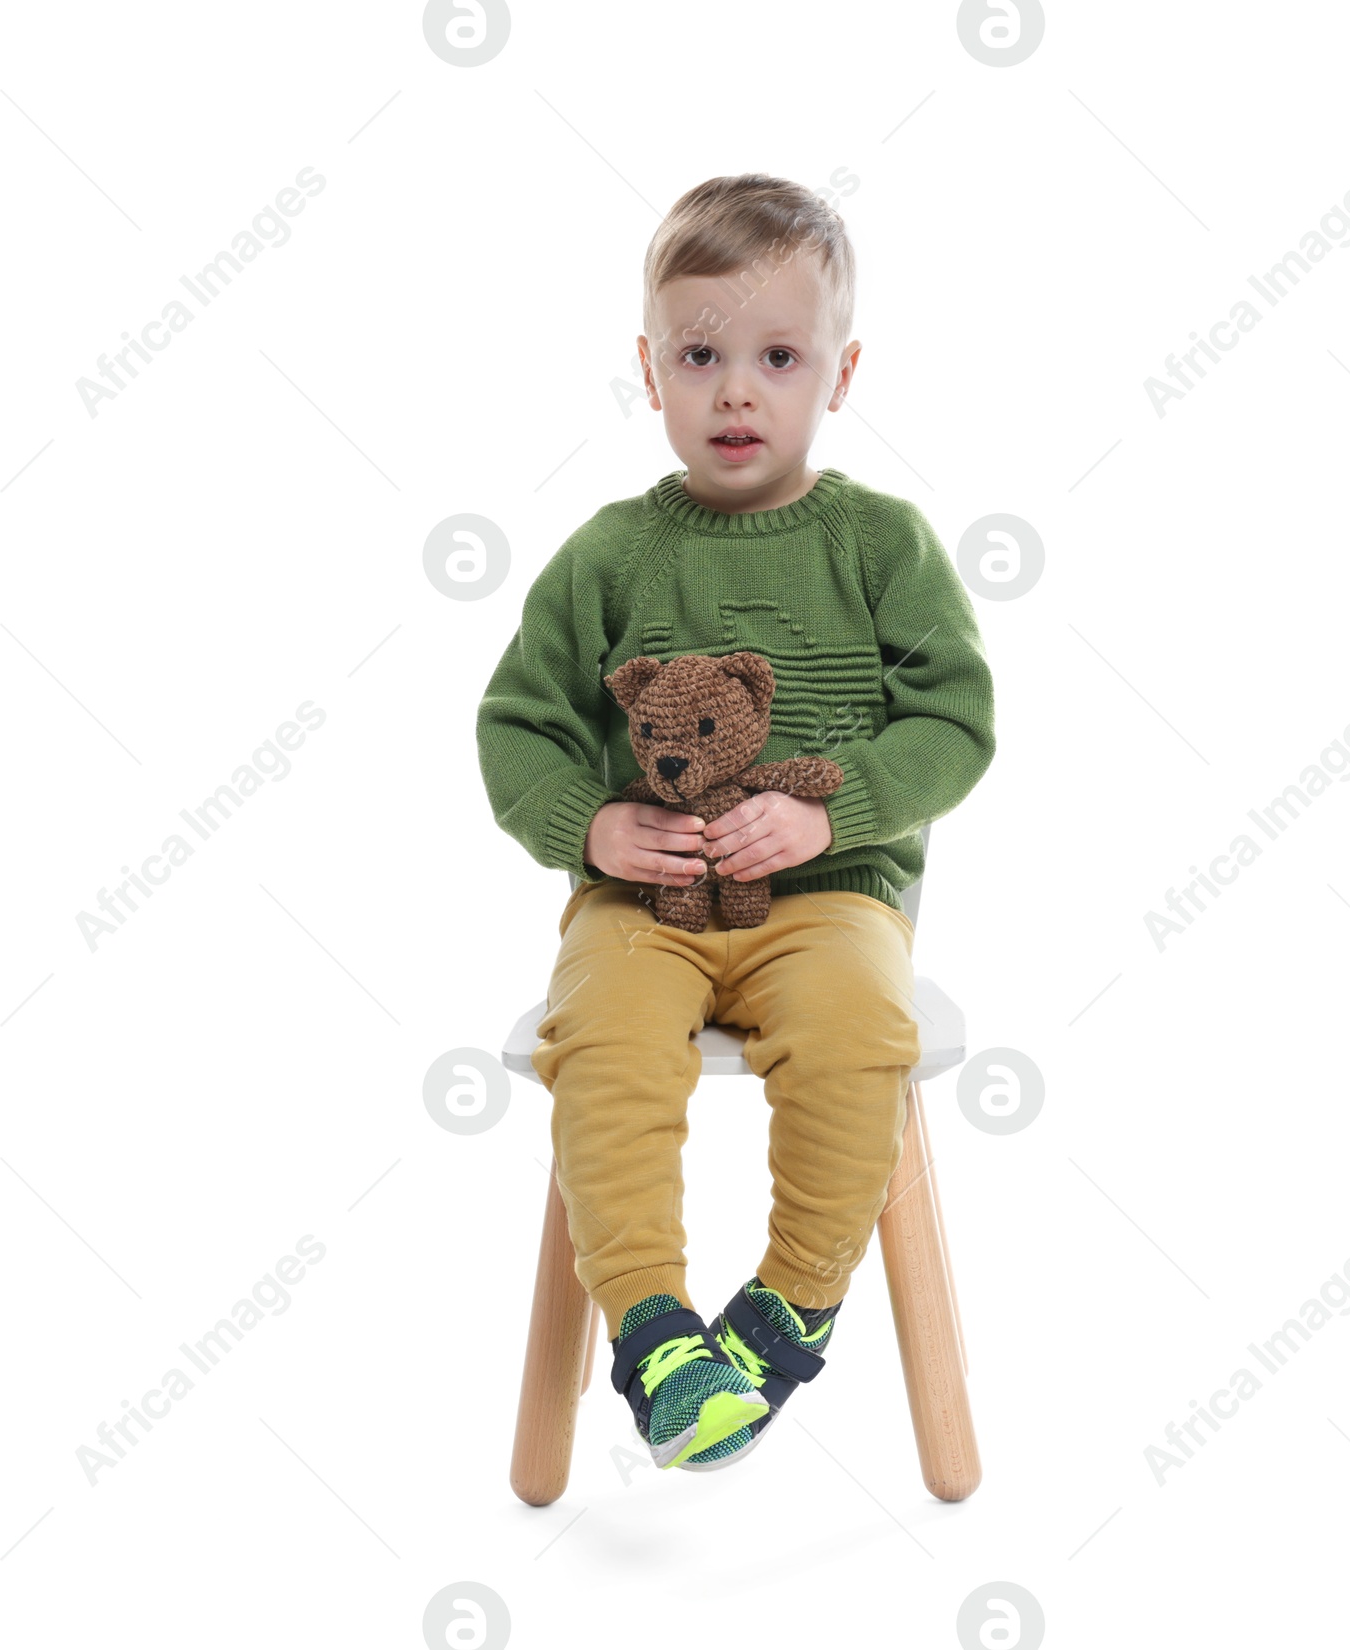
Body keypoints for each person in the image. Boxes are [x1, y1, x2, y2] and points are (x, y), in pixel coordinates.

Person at [476, 173, 995, 1472]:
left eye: (777, 357)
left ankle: (785, 1311)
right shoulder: (611, 555)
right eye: (699, 356)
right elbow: (516, 727)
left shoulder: (880, 545)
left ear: (842, 369)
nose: (737, 392)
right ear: (649, 373)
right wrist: (593, 828)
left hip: (827, 902)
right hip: (639, 908)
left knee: (859, 1031)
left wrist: (839, 818)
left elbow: (954, 721)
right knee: (597, 1039)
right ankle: (653, 1331)